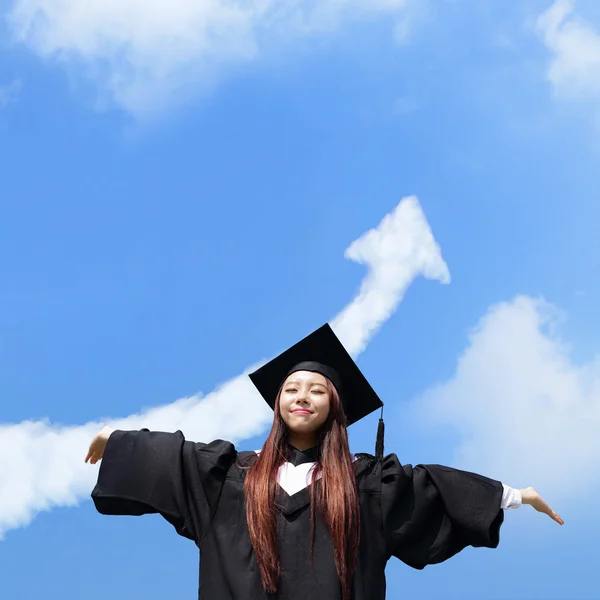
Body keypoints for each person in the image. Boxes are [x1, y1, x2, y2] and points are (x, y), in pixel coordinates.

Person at [85, 324, 563, 600]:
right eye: (292, 389)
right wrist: (117, 438)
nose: (302, 397)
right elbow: (175, 457)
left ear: (334, 405)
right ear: (277, 403)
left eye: (316, 390)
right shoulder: (232, 478)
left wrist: (515, 496)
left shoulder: (366, 483)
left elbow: (435, 488)